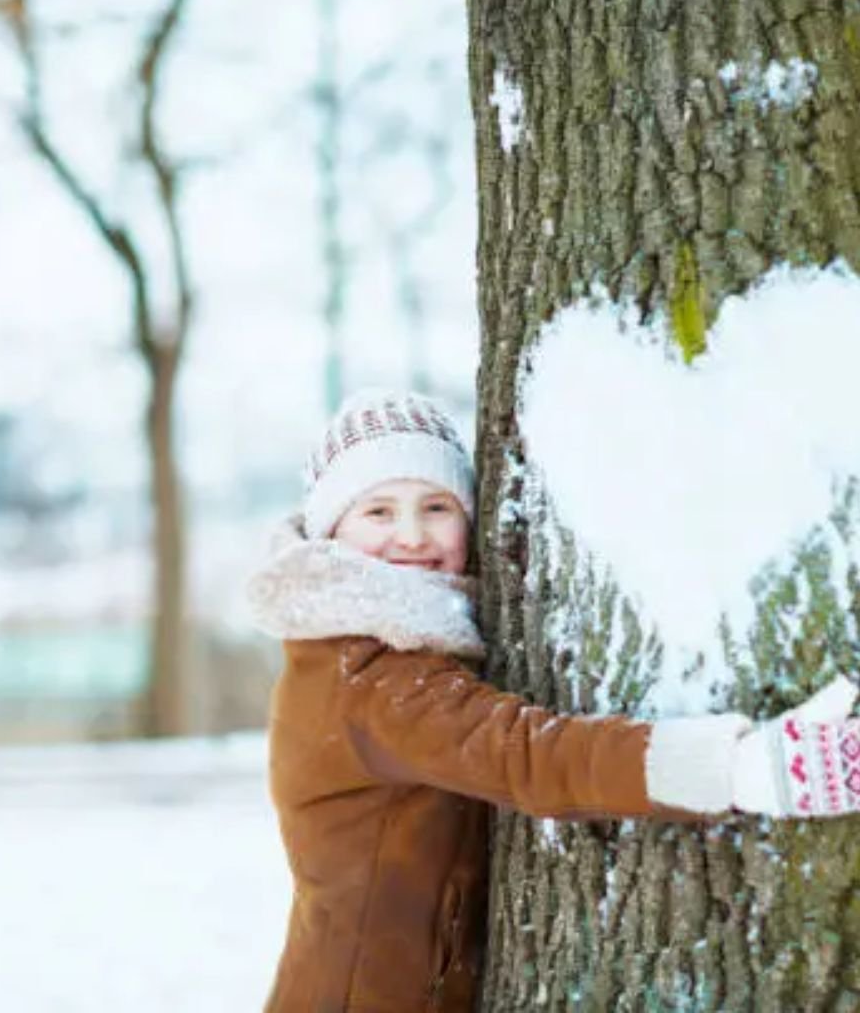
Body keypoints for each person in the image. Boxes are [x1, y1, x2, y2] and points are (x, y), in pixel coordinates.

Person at [247, 389, 860, 1013]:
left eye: (436, 506)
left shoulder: (390, 644)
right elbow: (525, 755)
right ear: (330, 531)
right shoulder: (370, 674)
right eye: (378, 511)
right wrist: (733, 766)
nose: (412, 534)